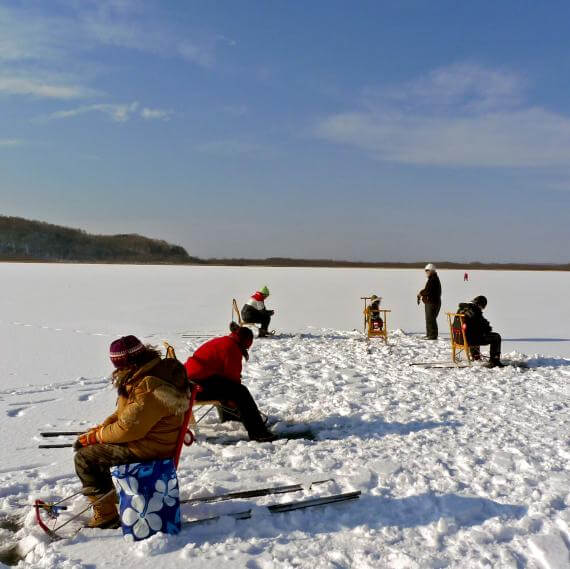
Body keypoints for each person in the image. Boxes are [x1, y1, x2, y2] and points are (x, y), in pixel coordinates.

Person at [73, 336, 189, 528]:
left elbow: (127, 429)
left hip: (149, 451)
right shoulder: (148, 374)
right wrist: (99, 431)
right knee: (95, 446)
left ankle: (106, 516)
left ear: (129, 363)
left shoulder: (149, 387)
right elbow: (123, 414)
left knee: (85, 458)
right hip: (149, 442)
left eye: (119, 367)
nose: (117, 371)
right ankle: (112, 495)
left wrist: (96, 437)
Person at [184, 326, 275, 441]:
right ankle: (259, 433)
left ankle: (230, 417)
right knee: (241, 392)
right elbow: (233, 380)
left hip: (188, 384)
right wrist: (234, 404)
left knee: (227, 386)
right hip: (196, 388)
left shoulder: (224, 341)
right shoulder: (232, 348)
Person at [456, 295, 504, 368]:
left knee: (473, 332)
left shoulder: (461, 309)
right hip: (467, 340)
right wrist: (487, 327)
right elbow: (483, 326)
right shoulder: (475, 311)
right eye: (482, 307)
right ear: (479, 305)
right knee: (496, 337)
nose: (482, 309)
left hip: (458, 338)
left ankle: (475, 356)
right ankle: (494, 361)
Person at [417, 263, 442, 340]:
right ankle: (429, 334)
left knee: (431, 319)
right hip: (431, 302)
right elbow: (427, 290)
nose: (426, 272)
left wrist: (421, 293)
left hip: (432, 303)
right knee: (429, 319)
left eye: (427, 271)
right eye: (426, 271)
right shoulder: (432, 279)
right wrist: (422, 293)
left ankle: (432, 335)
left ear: (432, 271)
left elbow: (428, 291)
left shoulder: (433, 279)